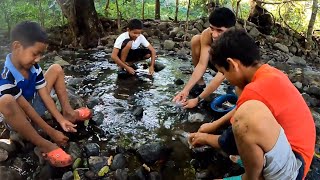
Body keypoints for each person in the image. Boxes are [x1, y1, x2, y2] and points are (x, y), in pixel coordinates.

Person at [192, 28, 315, 179]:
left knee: (245, 119)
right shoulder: (269, 73)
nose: (226, 78)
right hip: (301, 153)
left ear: (233, 64)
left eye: (224, 73)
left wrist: (204, 138)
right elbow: (240, 110)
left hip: (293, 168)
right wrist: (213, 125)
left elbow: (231, 140)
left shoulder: (254, 91)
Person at [0, 21, 92, 167]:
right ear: (17, 46)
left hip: (34, 102)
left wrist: (61, 119)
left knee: (56, 68)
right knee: (5, 100)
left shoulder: (33, 66)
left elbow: (44, 95)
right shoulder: (6, 76)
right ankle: (43, 144)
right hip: (21, 115)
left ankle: (68, 113)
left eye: (41, 54)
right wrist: (51, 132)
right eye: (35, 53)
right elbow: (27, 109)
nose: (38, 59)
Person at [173, 7, 236, 108]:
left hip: (233, 69)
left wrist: (198, 99)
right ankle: (200, 83)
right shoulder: (207, 33)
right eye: (212, 28)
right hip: (217, 62)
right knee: (196, 39)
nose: (214, 35)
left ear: (230, 30)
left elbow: (222, 74)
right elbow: (202, 64)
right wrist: (185, 90)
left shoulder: (235, 41)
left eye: (220, 30)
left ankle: (234, 84)